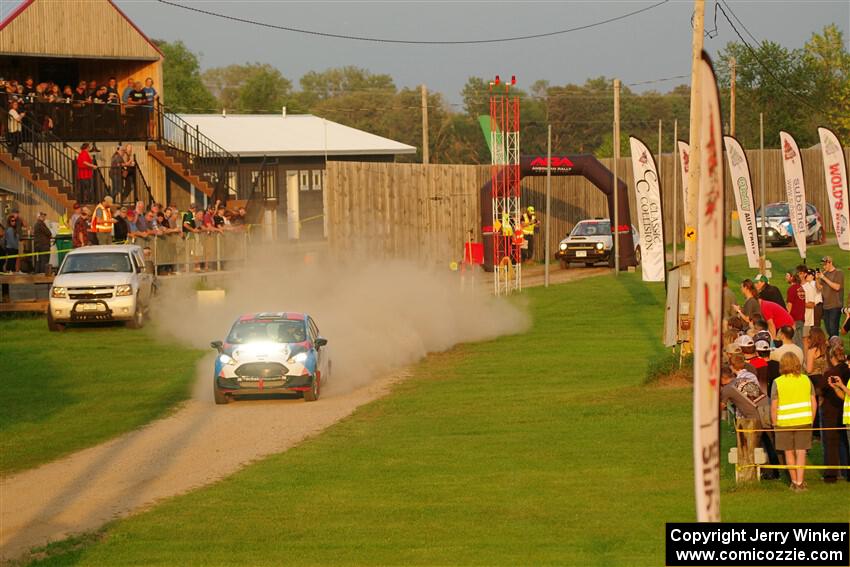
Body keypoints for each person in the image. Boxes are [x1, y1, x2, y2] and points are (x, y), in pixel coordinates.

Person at [771, 352, 817, 491]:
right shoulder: (806, 380)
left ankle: (795, 482)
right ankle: (800, 482)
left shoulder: (777, 382)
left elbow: (774, 405)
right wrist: (811, 419)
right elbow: (813, 402)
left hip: (783, 422)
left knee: (788, 452)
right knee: (801, 452)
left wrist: (774, 423)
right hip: (804, 420)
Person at [722, 353, 769, 483]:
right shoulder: (749, 377)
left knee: (749, 447)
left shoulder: (732, 385)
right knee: (765, 443)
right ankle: (769, 472)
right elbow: (757, 396)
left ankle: (749, 476)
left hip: (748, 418)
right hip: (763, 409)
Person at [817, 345, 850, 483]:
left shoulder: (830, 373)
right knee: (845, 443)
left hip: (831, 411)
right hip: (844, 411)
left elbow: (820, 391)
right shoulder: (847, 371)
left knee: (831, 443)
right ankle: (846, 472)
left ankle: (831, 475)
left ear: (831, 358)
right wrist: (837, 387)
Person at [817, 256, 844, 338]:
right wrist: (817, 279)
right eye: (823, 265)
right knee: (828, 329)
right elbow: (819, 288)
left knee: (833, 329)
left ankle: (836, 348)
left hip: (835, 305)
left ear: (830, 263)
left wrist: (824, 278)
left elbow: (837, 287)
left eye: (825, 264)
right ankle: (833, 346)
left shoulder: (838, 273)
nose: (824, 266)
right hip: (826, 305)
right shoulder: (824, 274)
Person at [785, 271, 805, 350]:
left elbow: (790, 304)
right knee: (800, 342)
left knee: (794, 342)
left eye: (787, 276)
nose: (786, 277)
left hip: (793, 319)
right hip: (801, 317)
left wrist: (786, 317)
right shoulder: (801, 288)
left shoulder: (792, 289)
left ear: (792, 277)